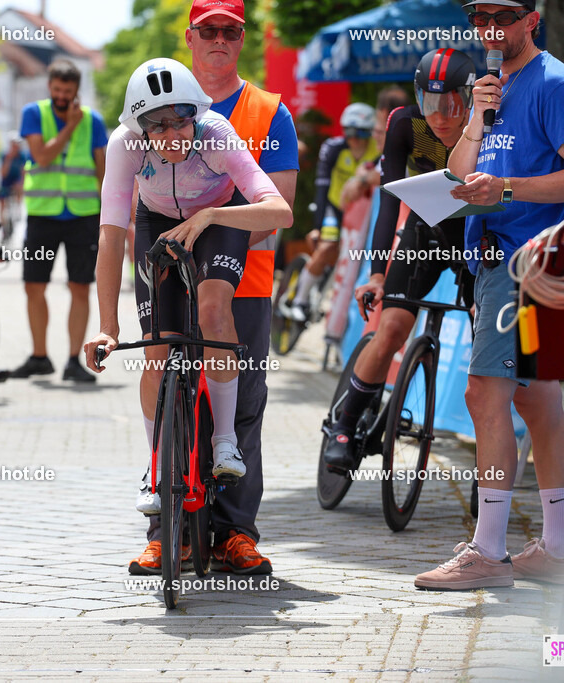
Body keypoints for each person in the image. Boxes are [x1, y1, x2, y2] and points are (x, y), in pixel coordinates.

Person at [414, 0, 564, 590]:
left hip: (527, 262)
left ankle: (488, 553)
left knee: (484, 395)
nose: (490, 28)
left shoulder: (552, 82)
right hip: (500, 260)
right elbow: (455, 175)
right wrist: (476, 116)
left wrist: (508, 187)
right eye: (480, 17)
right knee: (537, 400)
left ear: (531, 21)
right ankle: (558, 549)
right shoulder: (490, 87)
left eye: (503, 15)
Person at [83, 58, 292, 574]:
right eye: (158, 124)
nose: (173, 133)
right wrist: (107, 326)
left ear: (196, 116)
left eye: (181, 120)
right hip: (156, 222)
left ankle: (224, 443)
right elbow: (110, 238)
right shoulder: (123, 146)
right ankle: (158, 469)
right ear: (140, 129)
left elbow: (280, 211)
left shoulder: (217, 134)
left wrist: (213, 214)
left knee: (215, 306)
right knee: (158, 346)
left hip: (219, 220)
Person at [147, 0, 299, 577]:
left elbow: (274, 208)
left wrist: (218, 239)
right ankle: (168, 532)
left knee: (243, 411)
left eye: (230, 31)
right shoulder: (157, 102)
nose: (218, 40)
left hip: (247, 281)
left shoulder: (269, 111)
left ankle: (235, 532)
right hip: (170, 268)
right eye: (207, 30)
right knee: (168, 395)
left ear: (242, 39)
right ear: (189, 37)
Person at [321, 48, 479, 473]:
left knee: (486, 349)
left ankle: (489, 470)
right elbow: (388, 202)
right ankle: (344, 424)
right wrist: (376, 273)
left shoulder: (490, 122)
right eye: (430, 104)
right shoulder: (405, 123)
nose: (440, 117)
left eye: (449, 106)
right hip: (427, 232)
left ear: (468, 97)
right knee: (390, 327)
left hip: (480, 238)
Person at [12, 60, 107, 383]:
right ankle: (40, 357)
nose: (61, 97)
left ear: (76, 90)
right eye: (56, 90)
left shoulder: (93, 121)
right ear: (49, 87)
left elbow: (101, 169)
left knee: (79, 287)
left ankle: (72, 361)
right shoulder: (33, 114)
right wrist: (69, 125)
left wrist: (112, 212)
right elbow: (41, 157)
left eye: (67, 92)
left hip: (83, 216)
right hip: (43, 214)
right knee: (33, 286)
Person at [286, 102, 378, 321]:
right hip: (333, 206)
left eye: (361, 132)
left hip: (361, 213)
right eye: (349, 131)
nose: (354, 138)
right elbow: (322, 187)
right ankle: (300, 299)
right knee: (326, 247)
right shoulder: (334, 148)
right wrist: (317, 227)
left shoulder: (378, 150)